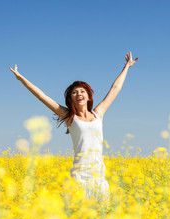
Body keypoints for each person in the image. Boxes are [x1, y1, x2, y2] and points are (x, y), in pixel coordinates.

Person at [9, 51, 138, 203]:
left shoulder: (98, 114)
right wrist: (20, 78)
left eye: (82, 91)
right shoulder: (70, 117)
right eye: (75, 93)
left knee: (102, 217)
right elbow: (42, 96)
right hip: (80, 175)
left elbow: (115, 89)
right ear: (71, 99)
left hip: (99, 174)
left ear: (89, 96)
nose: (79, 94)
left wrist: (127, 67)